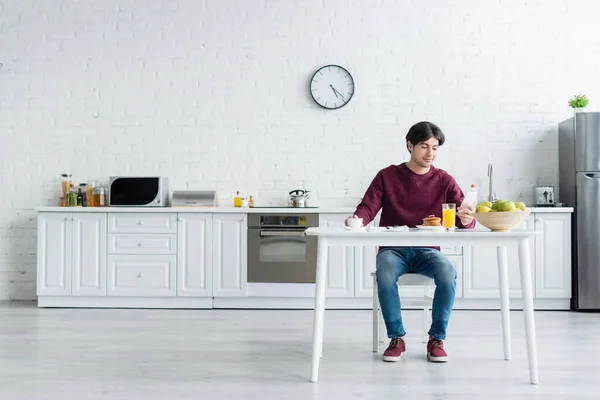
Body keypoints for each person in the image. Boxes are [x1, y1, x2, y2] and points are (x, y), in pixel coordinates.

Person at [345, 121, 476, 363]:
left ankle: (436, 338)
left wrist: (467, 220)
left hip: (427, 250)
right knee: (384, 273)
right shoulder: (387, 176)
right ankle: (396, 338)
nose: (430, 153)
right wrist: (357, 218)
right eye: (424, 146)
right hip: (393, 250)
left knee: (448, 272)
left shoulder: (444, 180)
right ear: (409, 145)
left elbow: (461, 217)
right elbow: (368, 207)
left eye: (435, 148)